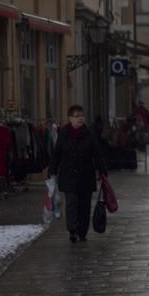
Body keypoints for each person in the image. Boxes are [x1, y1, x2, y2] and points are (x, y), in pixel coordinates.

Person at [48, 104, 106, 243]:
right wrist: (52, 171)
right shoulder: (64, 133)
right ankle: (72, 230)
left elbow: (97, 154)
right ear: (70, 118)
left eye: (82, 115)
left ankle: (82, 232)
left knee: (84, 206)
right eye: (77, 116)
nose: (80, 118)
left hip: (86, 175)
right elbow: (57, 154)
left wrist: (102, 170)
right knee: (72, 203)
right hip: (68, 175)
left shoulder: (90, 134)